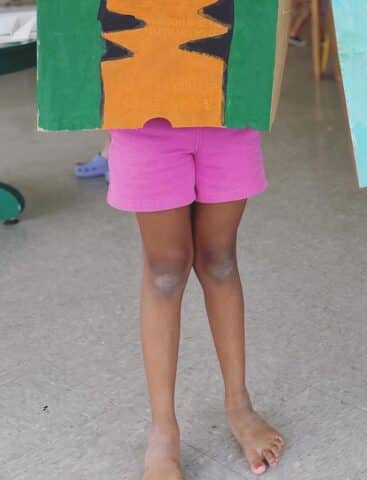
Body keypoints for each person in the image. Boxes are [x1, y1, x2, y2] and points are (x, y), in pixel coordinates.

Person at [107, 119, 284, 479]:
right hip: (145, 122)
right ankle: (163, 431)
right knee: (165, 273)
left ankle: (239, 404)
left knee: (219, 261)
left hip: (226, 111)